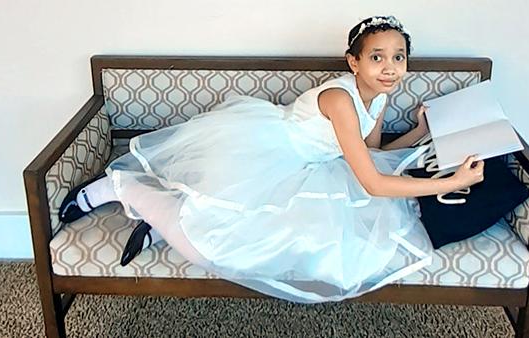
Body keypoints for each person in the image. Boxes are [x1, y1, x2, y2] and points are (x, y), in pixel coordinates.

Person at [59, 15, 484, 303]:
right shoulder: (340, 98)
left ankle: (159, 224)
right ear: (354, 61)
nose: (390, 67)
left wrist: (419, 132)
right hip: (268, 157)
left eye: (398, 57)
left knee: (315, 247)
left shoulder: (380, 96)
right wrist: (448, 182)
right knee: (221, 251)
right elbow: (373, 183)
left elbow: (371, 156)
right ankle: (118, 187)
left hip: (313, 170)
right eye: (377, 57)